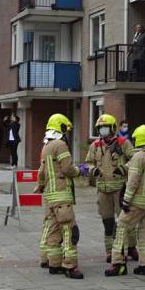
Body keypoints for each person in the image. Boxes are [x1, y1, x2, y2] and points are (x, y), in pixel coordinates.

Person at [106, 125, 145, 277]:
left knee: (121, 228)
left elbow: (133, 181)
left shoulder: (138, 157)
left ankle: (118, 264)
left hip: (137, 203)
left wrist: (126, 200)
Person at [81, 113, 134, 261]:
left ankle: (131, 247)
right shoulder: (95, 145)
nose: (102, 130)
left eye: (105, 127)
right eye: (100, 127)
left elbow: (135, 160)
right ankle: (110, 251)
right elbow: (88, 163)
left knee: (125, 221)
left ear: (112, 128)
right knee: (107, 221)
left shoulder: (123, 143)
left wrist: (123, 168)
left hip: (119, 189)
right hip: (103, 190)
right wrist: (93, 170)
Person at [36, 113, 83, 279]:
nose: (67, 133)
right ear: (61, 127)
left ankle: (54, 264)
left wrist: (40, 186)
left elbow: (41, 172)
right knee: (70, 231)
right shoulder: (60, 145)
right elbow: (67, 168)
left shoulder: (46, 146)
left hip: (50, 196)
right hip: (62, 195)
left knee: (53, 231)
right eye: (66, 129)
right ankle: (70, 266)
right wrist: (80, 171)